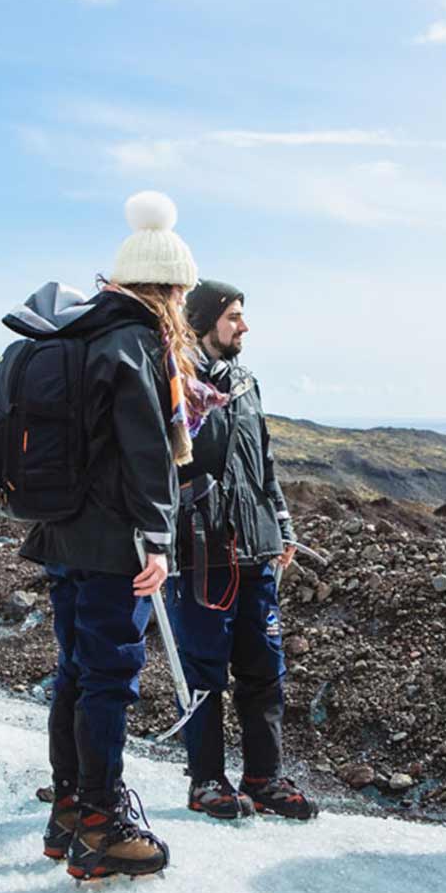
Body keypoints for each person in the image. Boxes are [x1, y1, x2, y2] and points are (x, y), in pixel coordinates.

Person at [18, 191, 210, 881]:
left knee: (77, 671)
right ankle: (103, 823)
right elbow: (147, 453)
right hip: (112, 544)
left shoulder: (82, 332)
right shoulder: (137, 342)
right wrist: (158, 540)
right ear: (171, 289)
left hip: (63, 534)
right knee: (109, 677)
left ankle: (69, 810)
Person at [165, 280, 318, 821]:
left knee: (264, 668)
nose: (244, 327)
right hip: (199, 550)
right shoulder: (172, 379)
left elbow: (264, 462)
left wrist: (282, 527)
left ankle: (264, 778)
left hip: (255, 548)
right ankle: (205, 780)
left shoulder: (247, 383)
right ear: (204, 321)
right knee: (204, 670)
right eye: (233, 317)